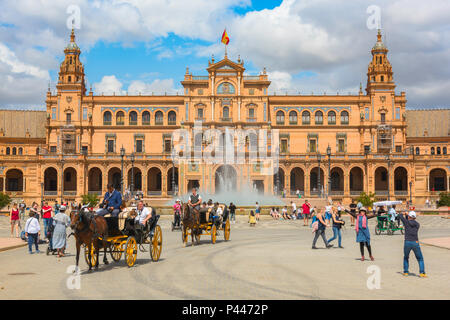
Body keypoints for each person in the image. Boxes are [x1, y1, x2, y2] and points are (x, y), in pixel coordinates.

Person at [399, 210, 427, 277]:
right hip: (415, 242)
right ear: (415, 217)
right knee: (420, 258)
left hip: (407, 242)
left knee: (406, 257)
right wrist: (407, 215)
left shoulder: (406, 222)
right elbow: (410, 222)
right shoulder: (417, 224)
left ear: (409, 216)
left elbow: (400, 216)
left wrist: (404, 213)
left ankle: (406, 272)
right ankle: (422, 273)